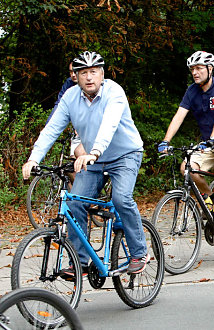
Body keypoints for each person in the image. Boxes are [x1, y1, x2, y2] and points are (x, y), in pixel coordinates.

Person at [22, 51, 149, 275]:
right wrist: (33, 158)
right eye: (83, 73)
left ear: (102, 74)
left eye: (93, 72)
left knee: (121, 198)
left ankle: (139, 252)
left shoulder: (114, 92)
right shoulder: (70, 97)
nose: (89, 77)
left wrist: (95, 151)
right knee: (74, 204)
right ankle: (80, 261)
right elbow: (52, 129)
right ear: (76, 76)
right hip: (94, 159)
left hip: (125, 155)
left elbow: (109, 124)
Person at [157, 51, 214, 252]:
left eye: (199, 68)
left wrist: (212, 139)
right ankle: (210, 198)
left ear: (209, 69)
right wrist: (165, 141)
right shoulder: (192, 91)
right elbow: (179, 116)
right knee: (187, 169)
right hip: (209, 144)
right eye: (192, 69)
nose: (195, 73)